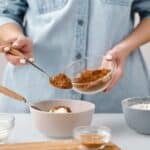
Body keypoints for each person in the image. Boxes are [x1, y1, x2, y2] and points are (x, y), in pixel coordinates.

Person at [0, 0, 150, 113]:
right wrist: (15, 38)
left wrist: (123, 49)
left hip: (114, 107)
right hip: (32, 102)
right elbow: (6, 13)